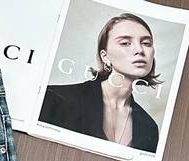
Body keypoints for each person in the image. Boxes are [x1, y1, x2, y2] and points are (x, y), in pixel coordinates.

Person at [39, 13, 162, 153]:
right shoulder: (55, 99)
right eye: (125, 43)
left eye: (146, 43)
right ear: (105, 56)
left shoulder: (149, 128)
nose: (140, 50)